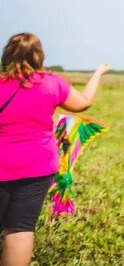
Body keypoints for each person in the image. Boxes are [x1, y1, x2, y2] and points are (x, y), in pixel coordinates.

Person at [0, 33, 110, 266]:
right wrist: (98, 73)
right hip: (37, 167)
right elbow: (84, 103)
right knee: (20, 230)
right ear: (40, 56)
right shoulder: (52, 83)